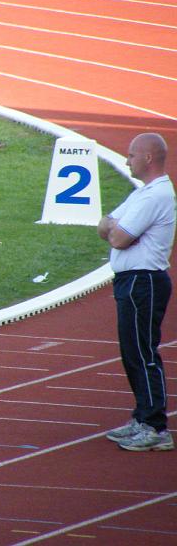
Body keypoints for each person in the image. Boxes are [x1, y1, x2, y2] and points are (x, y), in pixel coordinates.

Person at [99, 133, 175, 452]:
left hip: (143, 282)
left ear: (148, 158)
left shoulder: (155, 196)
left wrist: (117, 230)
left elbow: (117, 237)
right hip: (133, 281)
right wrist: (116, 230)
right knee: (133, 353)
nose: (127, 160)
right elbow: (105, 225)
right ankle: (143, 417)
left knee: (142, 353)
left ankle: (155, 426)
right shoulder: (142, 193)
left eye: (131, 155)